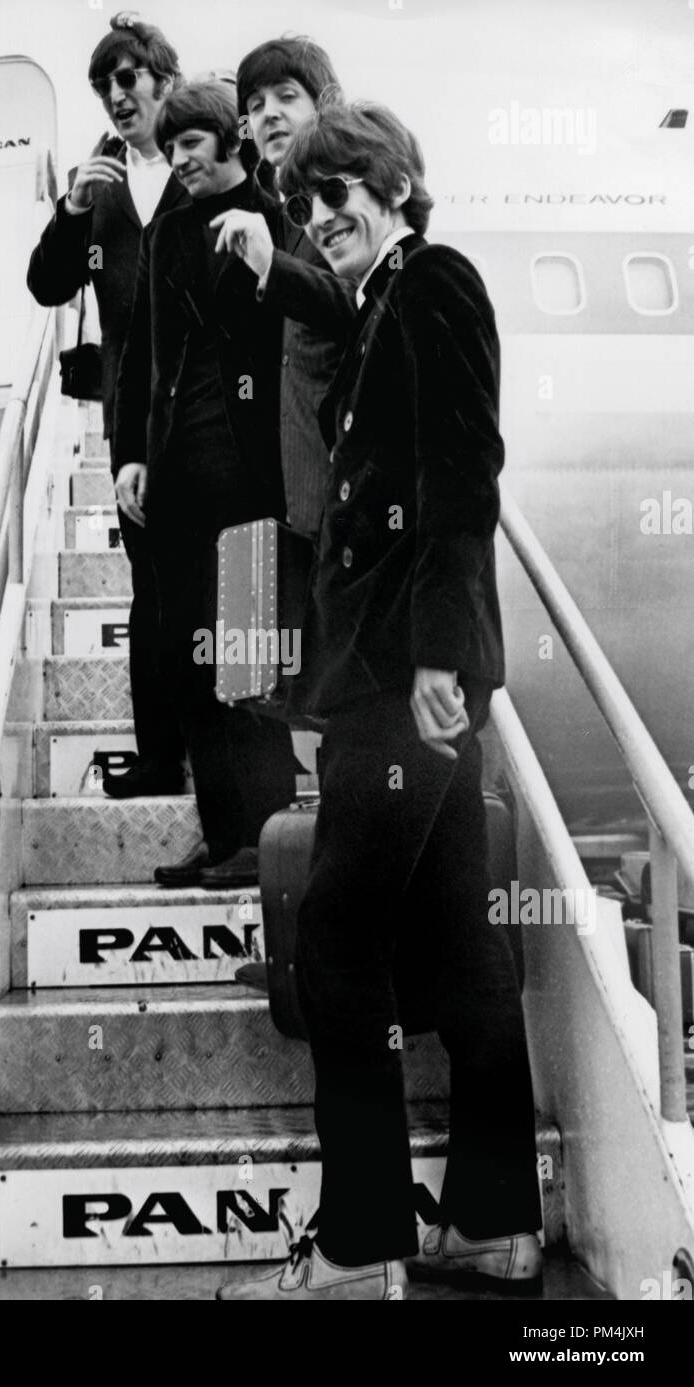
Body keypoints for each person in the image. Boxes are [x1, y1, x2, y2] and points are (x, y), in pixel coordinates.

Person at [215, 102, 543, 1300]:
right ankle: (493, 1224)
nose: (321, 214)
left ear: (398, 182)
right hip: (396, 681)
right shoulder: (382, 303)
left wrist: (439, 659)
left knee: (339, 945)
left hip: (411, 689)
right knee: (460, 941)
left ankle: (361, 1242)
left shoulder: (435, 283)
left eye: (340, 189)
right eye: (305, 201)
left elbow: (463, 475)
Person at [113, 80, 297, 890]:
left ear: (230, 142)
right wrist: (130, 452)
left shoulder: (273, 219)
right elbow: (140, 356)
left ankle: (267, 838)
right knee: (190, 665)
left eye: (191, 143)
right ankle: (222, 836)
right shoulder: (165, 234)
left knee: (247, 666)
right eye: (172, 144)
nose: (178, 158)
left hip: (251, 482)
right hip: (177, 481)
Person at [27, 12, 188, 799]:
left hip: (215, 423)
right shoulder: (101, 177)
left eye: (127, 79)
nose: (116, 97)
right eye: (103, 86)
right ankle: (161, 757)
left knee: (233, 592)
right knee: (155, 598)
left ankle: (240, 775)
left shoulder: (208, 161)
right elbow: (47, 286)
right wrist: (67, 213)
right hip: (132, 431)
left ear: (164, 77)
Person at [234, 36, 351, 540]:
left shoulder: (348, 198)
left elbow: (368, 307)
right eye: (256, 106)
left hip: (348, 494)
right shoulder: (281, 215)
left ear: (324, 103)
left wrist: (272, 268)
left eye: (286, 96)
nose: (268, 115)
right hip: (298, 498)